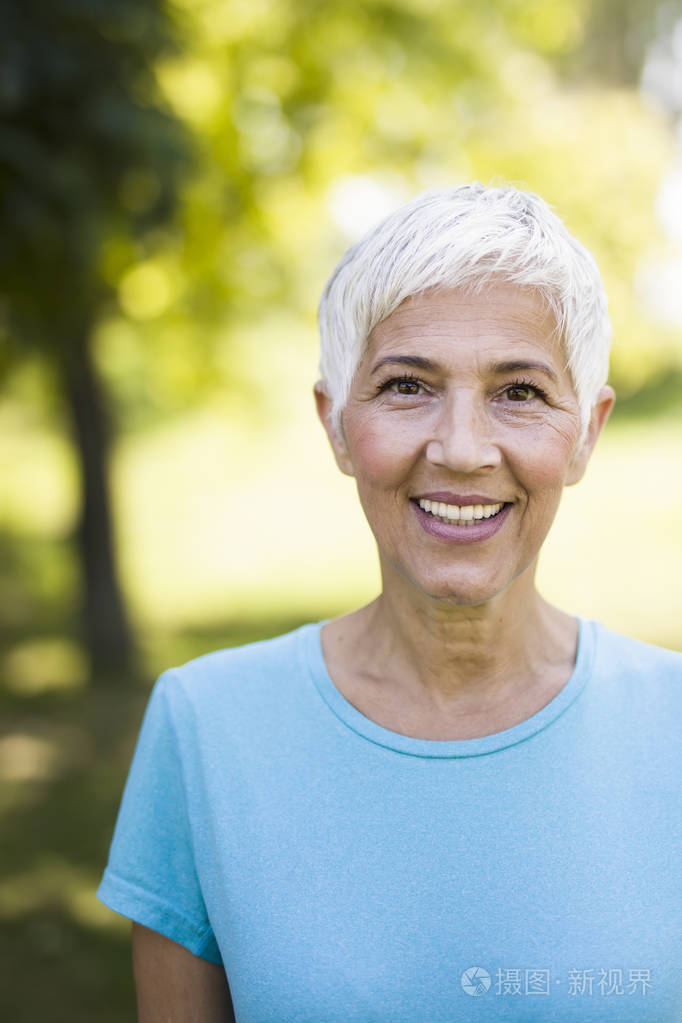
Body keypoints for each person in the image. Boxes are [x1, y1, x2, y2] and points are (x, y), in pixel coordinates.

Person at [97, 183, 682, 1022]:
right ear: (336, 424)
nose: (463, 449)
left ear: (586, 430)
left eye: (518, 391)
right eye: (409, 386)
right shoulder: (206, 728)